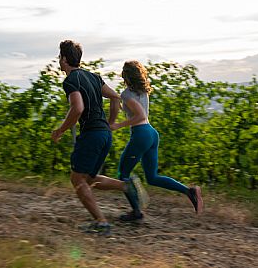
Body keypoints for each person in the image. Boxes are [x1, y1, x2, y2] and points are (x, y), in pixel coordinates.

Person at [51, 40, 142, 235]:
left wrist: (60, 130)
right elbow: (115, 97)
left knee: (77, 179)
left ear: (64, 59)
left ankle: (101, 223)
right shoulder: (93, 77)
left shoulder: (71, 81)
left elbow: (78, 108)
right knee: (89, 178)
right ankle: (126, 186)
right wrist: (109, 123)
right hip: (104, 135)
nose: (59, 60)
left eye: (59, 57)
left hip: (91, 134)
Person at [110, 60, 204, 221]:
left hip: (141, 134)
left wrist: (118, 125)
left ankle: (136, 212)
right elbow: (136, 111)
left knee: (123, 173)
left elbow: (140, 115)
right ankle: (189, 191)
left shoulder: (127, 93)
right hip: (151, 133)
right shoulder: (143, 91)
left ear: (125, 75)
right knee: (152, 177)